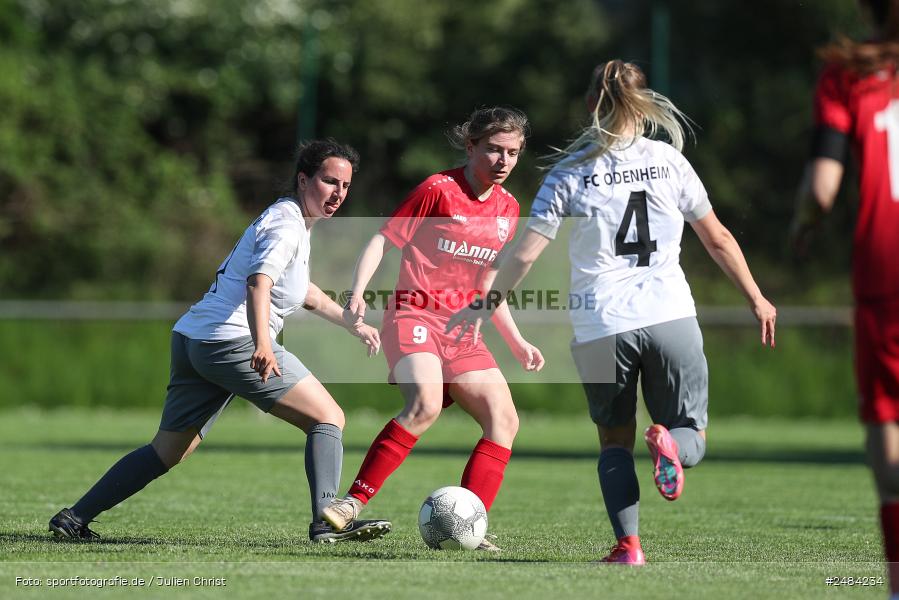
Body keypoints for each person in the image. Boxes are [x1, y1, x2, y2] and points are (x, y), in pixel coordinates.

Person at [447, 61, 777, 564]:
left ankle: (629, 546)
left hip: (602, 324)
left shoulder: (570, 170)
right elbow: (718, 238)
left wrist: (486, 303)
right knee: (692, 434)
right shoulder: (670, 161)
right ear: (643, 103)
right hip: (670, 316)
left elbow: (528, 253)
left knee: (614, 442)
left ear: (589, 106)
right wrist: (755, 296)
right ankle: (670, 440)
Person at [49, 139, 392, 544]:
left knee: (168, 450)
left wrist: (351, 323)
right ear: (304, 179)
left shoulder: (292, 221)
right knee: (327, 417)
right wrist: (263, 343)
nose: (337, 193)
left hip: (195, 338)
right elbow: (258, 283)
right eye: (328, 181)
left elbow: (303, 292)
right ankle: (326, 519)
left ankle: (74, 517)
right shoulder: (286, 224)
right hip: (234, 341)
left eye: (346, 185)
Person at [320, 107, 544, 551]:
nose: (503, 161)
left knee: (504, 420)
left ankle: (470, 523)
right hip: (413, 316)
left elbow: (486, 286)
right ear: (471, 146)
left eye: (513, 153)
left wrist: (516, 341)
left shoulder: (508, 208)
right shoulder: (437, 190)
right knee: (424, 404)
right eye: (494, 150)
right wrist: (357, 292)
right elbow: (383, 238)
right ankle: (351, 503)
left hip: (463, 331)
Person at [790, 0, 899, 595]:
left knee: (886, 419)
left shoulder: (849, 74)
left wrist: (802, 224)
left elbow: (823, 189)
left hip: (887, 271)